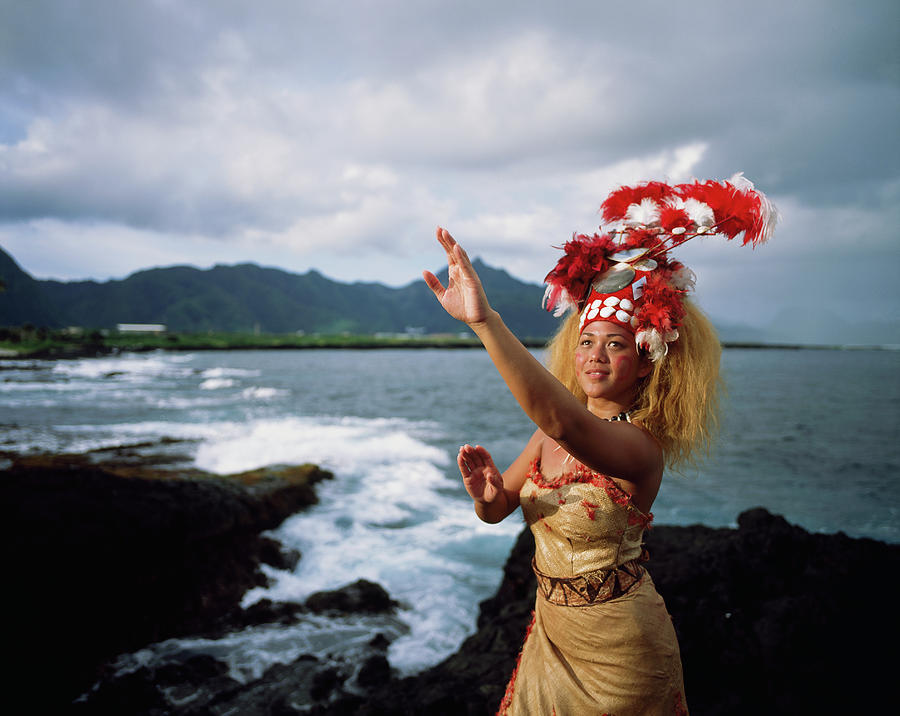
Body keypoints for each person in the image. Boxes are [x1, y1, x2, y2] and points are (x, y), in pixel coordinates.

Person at [423, 175, 778, 715]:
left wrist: (485, 322)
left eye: (615, 345)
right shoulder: (548, 434)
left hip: (623, 651)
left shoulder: (638, 449)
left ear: (646, 362)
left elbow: (562, 421)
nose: (594, 356)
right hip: (552, 635)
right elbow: (497, 512)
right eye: (586, 342)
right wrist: (485, 492)